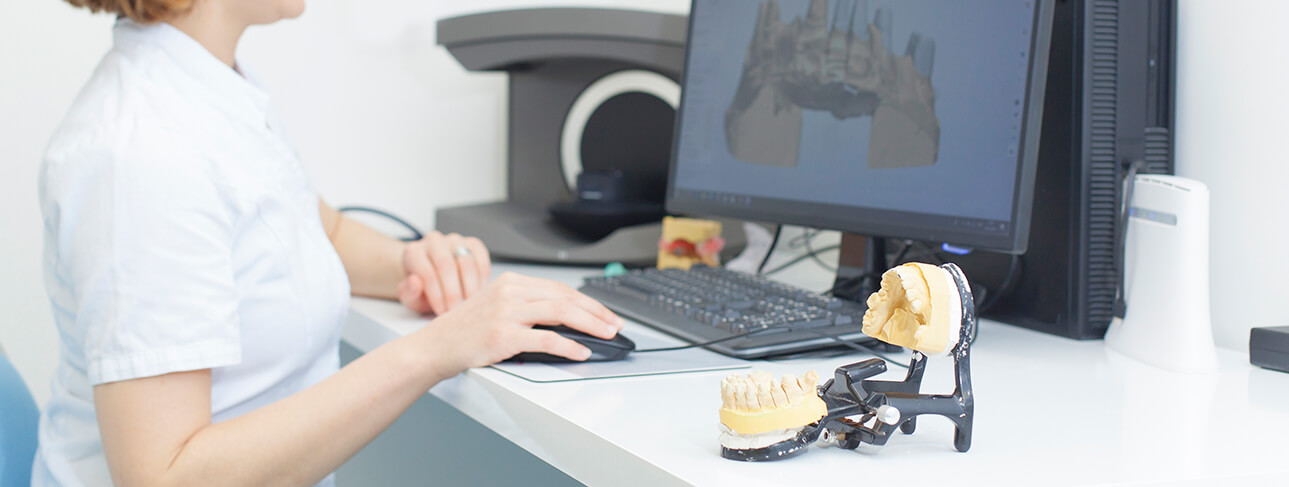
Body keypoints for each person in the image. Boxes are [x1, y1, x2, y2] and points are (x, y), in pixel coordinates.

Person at [35, 1, 624, 485]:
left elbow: (318, 229)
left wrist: (408, 262)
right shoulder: (141, 156)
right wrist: (436, 350)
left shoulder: (215, 84)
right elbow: (165, 476)